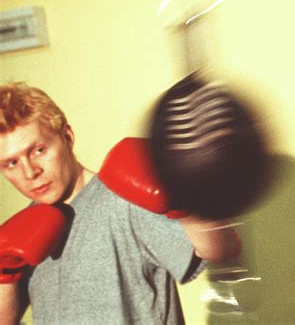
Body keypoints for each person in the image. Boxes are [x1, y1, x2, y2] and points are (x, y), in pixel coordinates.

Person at [0, 83, 241, 324]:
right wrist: (4, 270)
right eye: (11, 163)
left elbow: (224, 250)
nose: (30, 172)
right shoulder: (22, 234)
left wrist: (185, 205)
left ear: (67, 137)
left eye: (38, 150)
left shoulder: (123, 201)